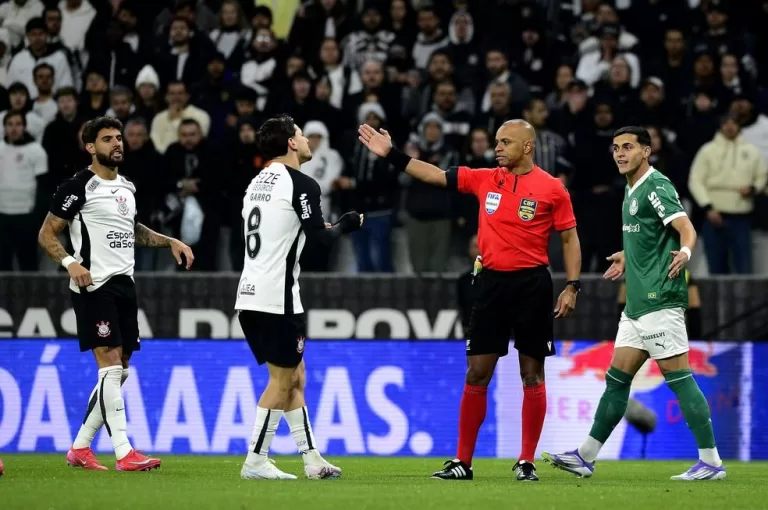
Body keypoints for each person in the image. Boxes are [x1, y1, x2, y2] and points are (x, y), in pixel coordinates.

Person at [358, 119, 582, 481]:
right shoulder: (484, 178)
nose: (497, 148)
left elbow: (570, 240)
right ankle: (463, 462)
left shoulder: (553, 188)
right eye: (496, 141)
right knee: (477, 372)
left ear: (527, 147)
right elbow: (433, 175)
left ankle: (526, 462)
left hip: (532, 285)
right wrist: (392, 155)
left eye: (505, 142)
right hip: (491, 283)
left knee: (532, 373)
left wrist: (572, 285)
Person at [543, 126, 726, 481]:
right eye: (615, 148)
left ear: (647, 150)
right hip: (637, 306)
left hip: (660, 300)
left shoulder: (656, 186)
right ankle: (585, 456)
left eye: (628, 147)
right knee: (616, 380)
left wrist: (686, 252)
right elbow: (653, 235)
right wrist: (629, 257)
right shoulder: (630, 190)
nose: (620, 154)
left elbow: (686, 228)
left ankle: (712, 462)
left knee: (681, 379)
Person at [37, 116, 195, 471]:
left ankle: (80, 448)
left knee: (120, 369)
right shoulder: (78, 186)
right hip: (93, 284)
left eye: (119, 138)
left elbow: (131, 229)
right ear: (90, 147)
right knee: (108, 364)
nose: (117, 144)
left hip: (125, 284)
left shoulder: (126, 187)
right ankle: (124, 451)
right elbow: (46, 234)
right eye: (108, 139)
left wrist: (169, 241)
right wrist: (70, 264)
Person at [235, 114, 363, 480]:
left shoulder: (257, 182)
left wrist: (318, 227)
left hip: (249, 293)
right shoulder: (302, 183)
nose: (307, 140)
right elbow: (322, 240)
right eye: (302, 135)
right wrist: (346, 225)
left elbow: (287, 227)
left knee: (295, 376)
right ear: (291, 143)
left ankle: (311, 459)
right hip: (278, 298)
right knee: (282, 381)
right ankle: (256, 460)